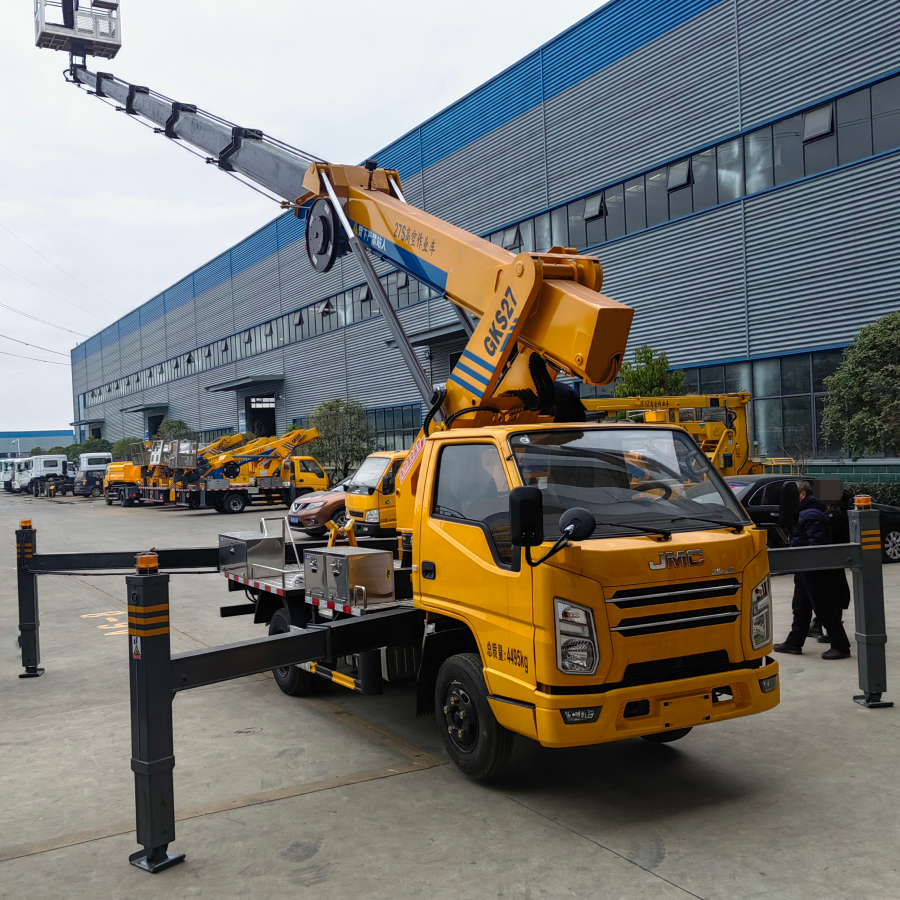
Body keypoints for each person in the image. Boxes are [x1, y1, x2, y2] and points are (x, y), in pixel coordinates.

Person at [774, 481, 852, 660]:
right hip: (805, 567)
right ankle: (794, 642)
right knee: (801, 606)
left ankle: (840, 645)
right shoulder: (806, 513)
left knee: (823, 607)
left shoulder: (811, 514)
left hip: (813, 569)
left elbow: (817, 544)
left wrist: (811, 564)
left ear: (802, 495)